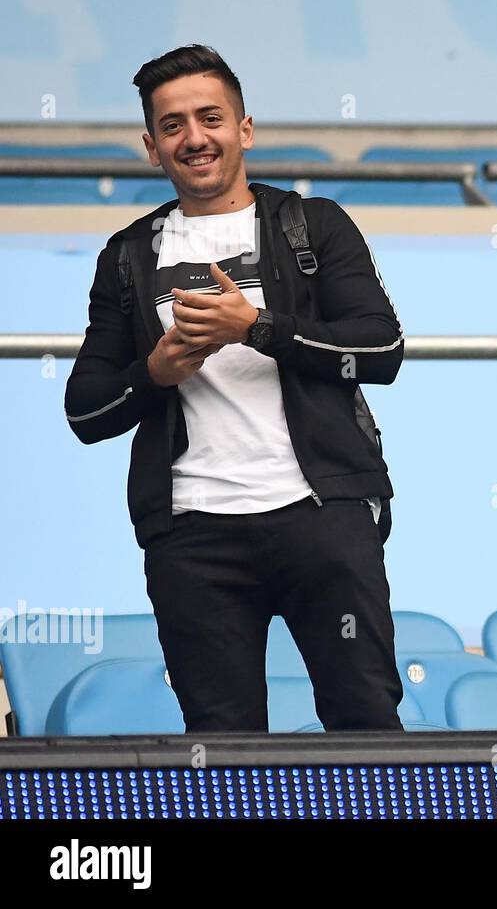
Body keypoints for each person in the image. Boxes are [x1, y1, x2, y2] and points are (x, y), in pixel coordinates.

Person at [64, 44, 405, 732]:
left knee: (365, 720)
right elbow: (85, 409)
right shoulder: (128, 255)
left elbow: (381, 350)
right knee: (221, 749)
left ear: (244, 129)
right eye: (172, 125)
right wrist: (154, 374)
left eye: (210, 117)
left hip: (325, 520)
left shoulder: (314, 225)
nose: (194, 137)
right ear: (152, 147)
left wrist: (257, 327)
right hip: (192, 536)